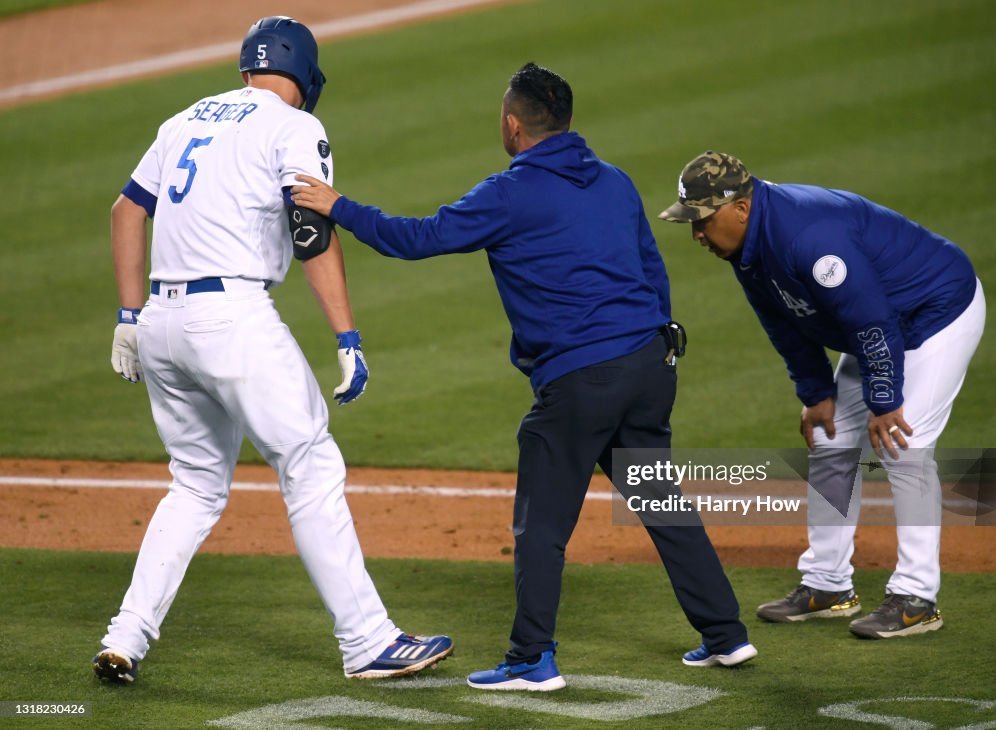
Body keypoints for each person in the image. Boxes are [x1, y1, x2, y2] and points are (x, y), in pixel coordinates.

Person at [290, 62, 756, 691]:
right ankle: (726, 636)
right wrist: (659, 340)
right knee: (661, 504)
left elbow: (418, 238)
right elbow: (652, 270)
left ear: (513, 123)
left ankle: (531, 658)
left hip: (581, 382)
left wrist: (338, 206)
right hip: (649, 366)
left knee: (541, 523)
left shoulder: (509, 191)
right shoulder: (615, 182)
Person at [96, 16, 452, 684]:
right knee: (310, 465)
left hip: (161, 323)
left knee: (196, 484)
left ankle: (125, 638)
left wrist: (127, 315)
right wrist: (347, 336)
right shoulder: (294, 127)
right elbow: (310, 227)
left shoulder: (184, 119)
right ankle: (368, 641)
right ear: (306, 75)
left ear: (247, 67)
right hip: (230, 320)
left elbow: (126, 211)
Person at [658, 151, 985, 639]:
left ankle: (918, 597)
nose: (697, 234)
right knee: (832, 440)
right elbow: (783, 322)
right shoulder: (746, 246)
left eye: (703, 220)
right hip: (879, 325)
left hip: (934, 311)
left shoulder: (808, 238)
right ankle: (828, 584)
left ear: (740, 208)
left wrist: (884, 399)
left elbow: (871, 320)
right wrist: (816, 392)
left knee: (903, 447)